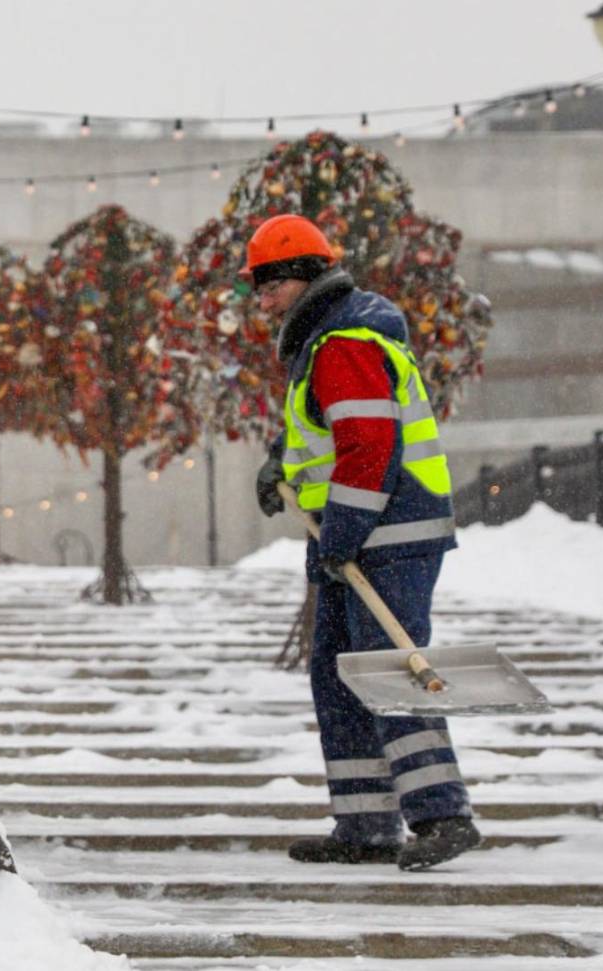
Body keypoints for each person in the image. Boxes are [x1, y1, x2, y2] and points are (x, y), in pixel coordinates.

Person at [247, 214, 479, 872]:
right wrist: (279, 466)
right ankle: (365, 821)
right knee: (338, 676)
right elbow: (322, 431)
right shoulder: (323, 344)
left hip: (387, 534)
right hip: (353, 536)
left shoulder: (345, 341)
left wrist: (341, 534)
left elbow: (368, 447)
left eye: (267, 284)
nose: (259, 299)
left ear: (303, 279)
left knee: (386, 671)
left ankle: (441, 813)